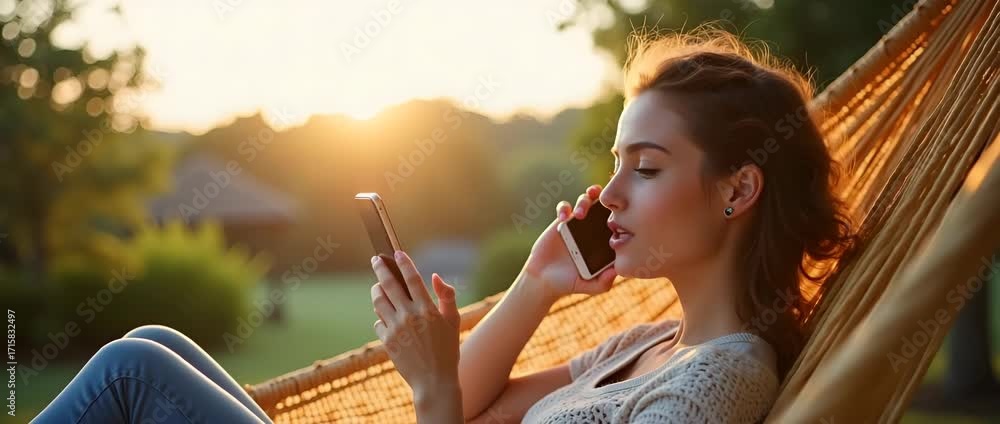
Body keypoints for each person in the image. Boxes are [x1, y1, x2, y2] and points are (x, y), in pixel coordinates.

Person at [34, 25, 858, 424]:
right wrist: (536, 284)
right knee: (158, 347)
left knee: (132, 370)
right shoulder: (646, 347)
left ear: (738, 189)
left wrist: (427, 385)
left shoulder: (717, 383)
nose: (608, 195)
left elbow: (442, 405)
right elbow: (468, 410)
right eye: (613, 165)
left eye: (644, 169)